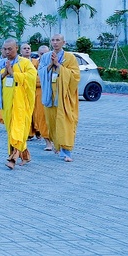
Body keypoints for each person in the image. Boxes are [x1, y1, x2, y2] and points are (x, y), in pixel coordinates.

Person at [0, 39, 37, 170]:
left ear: (16, 48)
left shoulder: (25, 62)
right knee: (12, 129)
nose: (7, 52)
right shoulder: (0, 63)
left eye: (10, 49)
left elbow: (31, 77)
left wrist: (13, 73)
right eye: (5, 49)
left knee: (17, 129)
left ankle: (12, 158)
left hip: (21, 102)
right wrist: (4, 73)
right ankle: (25, 155)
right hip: (7, 102)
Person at [38, 34, 80, 162]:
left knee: (65, 121)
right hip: (50, 94)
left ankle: (66, 150)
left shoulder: (70, 57)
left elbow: (75, 76)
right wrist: (51, 64)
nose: (55, 43)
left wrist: (59, 66)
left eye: (58, 40)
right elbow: (40, 72)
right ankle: (57, 144)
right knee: (52, 122)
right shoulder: (45, 57)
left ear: (63, 42)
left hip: (64, 96)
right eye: (53, 40)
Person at [31, 45, 53, 151]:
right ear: (38, 54)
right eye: (41, 53)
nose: (44, 55)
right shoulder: (33, 64)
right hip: (39, 94)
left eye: (46, 53)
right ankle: (47, 142)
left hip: (54, 94)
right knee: (42, 118)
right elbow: (32, 80)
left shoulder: (55, 62)